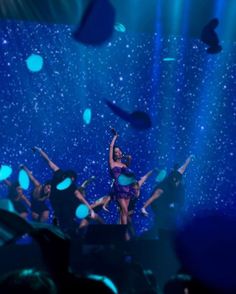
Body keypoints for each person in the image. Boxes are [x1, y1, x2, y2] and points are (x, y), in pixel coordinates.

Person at [33, 147, 95, 236]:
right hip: (61, 213)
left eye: (72, 181)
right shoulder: (59, 176)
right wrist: (40, 151)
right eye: (69, 179)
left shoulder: (70, 188)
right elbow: (49, 162)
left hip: (67, 211)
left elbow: (79, 196)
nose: (70, 182)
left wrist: (89, 208)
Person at [140, 155, 194, 234]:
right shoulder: (163, 188)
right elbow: (153, 197)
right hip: (163, 197)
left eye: (177, 180)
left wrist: (190, 158)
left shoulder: (179, 176)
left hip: (171, 200)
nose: (176, 181)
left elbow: (185, 165)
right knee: (159, 199)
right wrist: (144, 208)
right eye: (174, 180)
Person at [108, 128, 137, 239]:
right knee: (124, 211)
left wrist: (129, 160)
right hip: (119, 189)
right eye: (116, 152)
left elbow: (128, 172)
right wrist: (115, 137)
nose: (118, 153)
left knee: (124, 213)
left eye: (119, 151)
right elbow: (111, 147)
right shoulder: (112, 163)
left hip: (127, 189)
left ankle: (123, 234)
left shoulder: (124, 165)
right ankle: (126, 234)